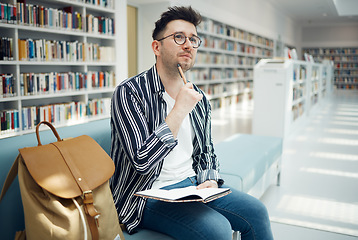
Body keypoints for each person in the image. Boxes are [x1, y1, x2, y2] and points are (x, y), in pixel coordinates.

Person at [110, 6, 274, 240]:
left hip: (192, 185)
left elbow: (206, 149)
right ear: (157, 47)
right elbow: (142, 162)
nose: (188, 45)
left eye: (193, 39)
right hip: (147, 194)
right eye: (178, 37)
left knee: (257, 212)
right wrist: (179, 109)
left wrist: (208, 177)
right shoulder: (129, 92)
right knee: (217, 230)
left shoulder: (198, 96)